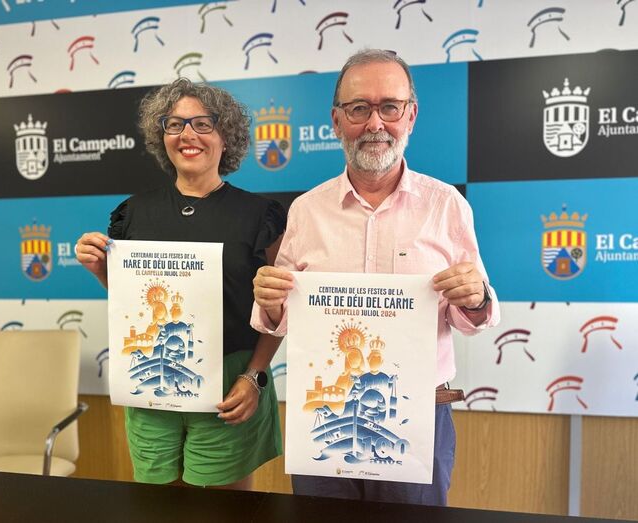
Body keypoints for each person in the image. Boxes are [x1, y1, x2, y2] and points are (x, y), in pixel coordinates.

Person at [251, 49, 500, 505]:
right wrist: (269, 301)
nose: (374, 123)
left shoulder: (447, 205)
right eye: (358, 108)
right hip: (324, 413)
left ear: (411, 116)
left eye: (389, 107)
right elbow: (280, 319)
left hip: (418, 414)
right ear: (336, 120)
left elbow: (474, 318)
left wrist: (476, 297)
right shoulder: (305, 210)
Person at [75, 78, 285, 489]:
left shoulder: (259, 215)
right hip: (151, 377)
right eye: (175, 124)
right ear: (163, 137)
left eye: (203, 124)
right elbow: (133, 302)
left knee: (222, 511)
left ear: (226, 137)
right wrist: (100, 269)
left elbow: (279, 311)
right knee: (157, 506)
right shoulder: (134, 213)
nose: (188, 134)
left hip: (231, 382)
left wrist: (255, 375)